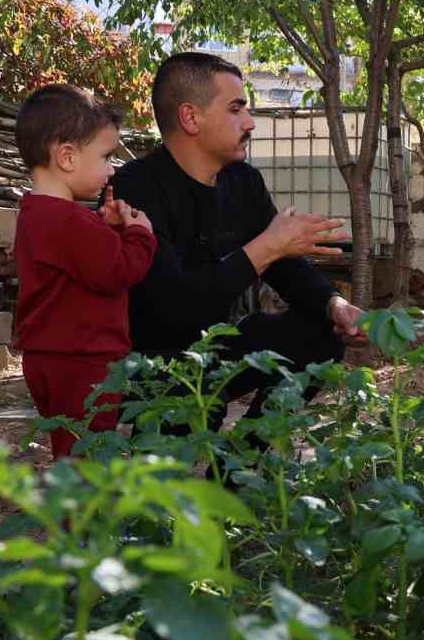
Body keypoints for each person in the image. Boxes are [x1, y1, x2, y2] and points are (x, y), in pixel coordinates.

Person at [109, 52, 366, 430]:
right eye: (236, 109)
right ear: (190, 117)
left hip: (214, 346)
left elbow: (284, 265)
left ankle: (240, 467)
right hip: (149, 359)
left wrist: (334, 304)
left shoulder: (242, 181)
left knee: (320, 339)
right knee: (195, 406)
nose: (250, 123)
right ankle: (155, 480)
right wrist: (267, 247)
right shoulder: (134, 189)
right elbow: (170, 308)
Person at [12, 84, 158, 458]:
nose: (112, 169)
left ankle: (74, 513)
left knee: (70, 449)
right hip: (83, 362)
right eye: (106, 156)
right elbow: (118, 271)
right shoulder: (70, 221)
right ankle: (78, 518)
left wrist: (105, 229)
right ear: (67, 157)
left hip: (47, 359)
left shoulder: (35, 214)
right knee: (86, 460)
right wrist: (140, 234)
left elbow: (81, 265)